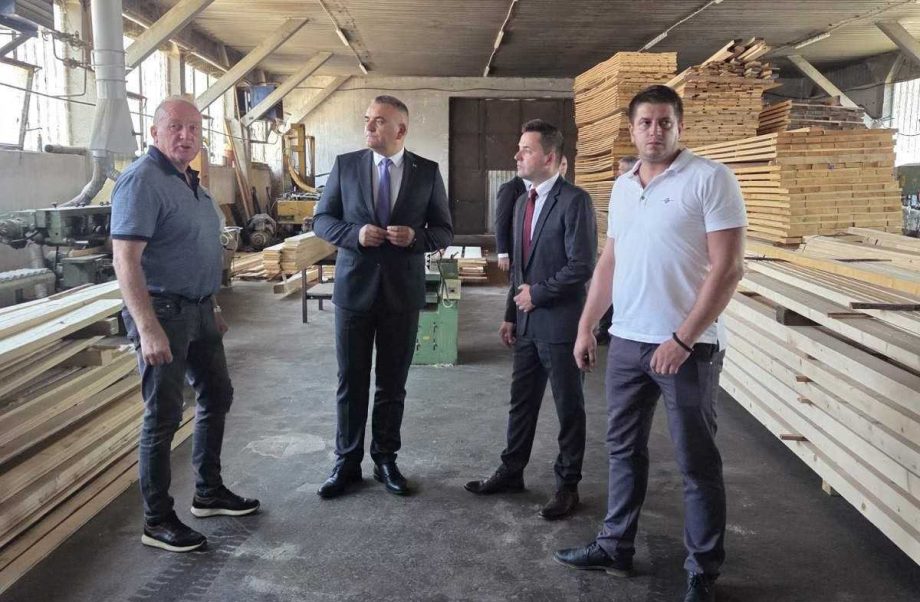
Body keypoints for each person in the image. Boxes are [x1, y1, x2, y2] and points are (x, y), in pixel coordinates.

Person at [551, 85, 746, 602]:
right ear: (632, 129)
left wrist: (683, 338)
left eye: (664, 122)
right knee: (622, 450)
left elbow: (728, 269)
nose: (654, 131)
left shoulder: (710, 179)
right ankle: (615, 546)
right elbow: (610, 263)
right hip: (628, 342)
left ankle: (702, 570)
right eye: (645, 123)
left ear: (680, 126)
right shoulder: (622, 187)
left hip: (688, 349)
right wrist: (587, 325)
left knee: (696, 461)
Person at [111, 96, 260, 554]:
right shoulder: (142, 180)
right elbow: (125, 260)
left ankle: (208, 492)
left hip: (198, 309)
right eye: (175, 126)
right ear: (154, 132)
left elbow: (197, 248)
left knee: (217, 395)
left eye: (194, 128)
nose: (186, 135)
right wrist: (147, 327)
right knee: (163, 416)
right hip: (164, 313)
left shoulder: (190, 181)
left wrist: (211, 304)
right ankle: (157, 521)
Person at [312, 95, 453, 499]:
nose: (369, 127)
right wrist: (354, 234)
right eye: (367, 120)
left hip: (401, 295)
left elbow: (444, 230)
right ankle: (347, 462)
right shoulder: (346, 166)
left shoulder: (427, 172)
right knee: (350, 381)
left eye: (378, 121)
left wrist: (416, 238)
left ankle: (386, 459)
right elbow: (322, 220)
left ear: (400, 130)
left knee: (392, 384)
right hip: (353, 291)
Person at [465, 119, 596, 520]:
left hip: (560, 325)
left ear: (550, 158)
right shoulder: (524, 201)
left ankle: (567, 484)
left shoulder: (575, 202)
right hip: (525, 325)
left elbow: (581, 265)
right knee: (521, 403)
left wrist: (536, 295)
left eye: (526, 149)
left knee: (568, 407)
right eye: (519, 148)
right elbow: (520, 271)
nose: (517, 155)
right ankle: (512, 470)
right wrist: (511, 313)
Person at [495, 157, 569, 272]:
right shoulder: (510, 188)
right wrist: (502, 253)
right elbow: (501, 222)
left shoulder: (547, 189)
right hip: (517, 251)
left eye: (564, 164)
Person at [594, 154, 637, 345]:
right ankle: (606, 329)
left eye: (621, 170)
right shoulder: (619, 190)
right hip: (616, 250)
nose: (617, 173)